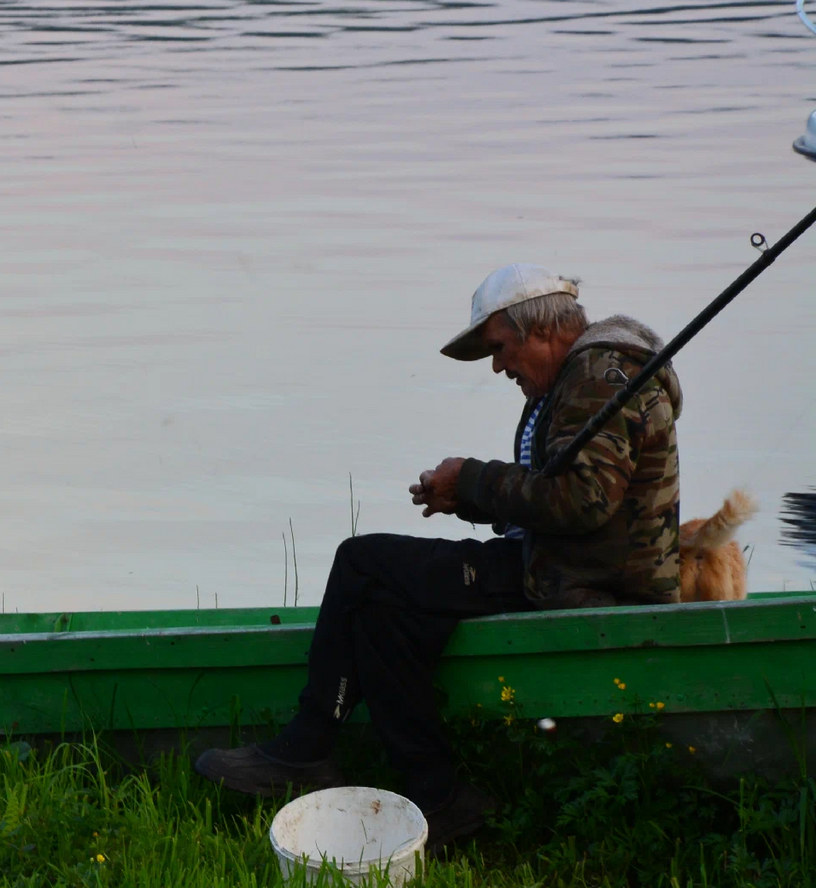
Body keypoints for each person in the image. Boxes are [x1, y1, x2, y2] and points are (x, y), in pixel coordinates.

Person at [193, 264, 682, 845]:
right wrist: (465, 499)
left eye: (500, 348)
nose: (499, 367)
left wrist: (474, 480)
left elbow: (584, 500)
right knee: (379, 609)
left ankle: (306, 747)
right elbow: (556, 496)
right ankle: (440, 800)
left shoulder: (599, 375)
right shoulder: (577, 377)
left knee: (361, 562)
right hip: (558, 567)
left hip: (588, 583)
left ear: (542, 331)